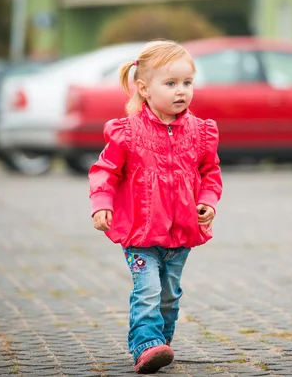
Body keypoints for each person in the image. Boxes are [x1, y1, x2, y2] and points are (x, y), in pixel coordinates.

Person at [88, 40, 223, 374]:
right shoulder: (128, 133)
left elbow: (210, 173)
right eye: (171, 83)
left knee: (169, 295)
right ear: (144, 89)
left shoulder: (200, 132)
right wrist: (101, 204)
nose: (182, 91)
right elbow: (104, 170)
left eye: (187, 83)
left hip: (181, 234)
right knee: (147, 291)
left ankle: (161, 342)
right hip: (140, 232)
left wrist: (207, 201)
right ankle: (145, 344)